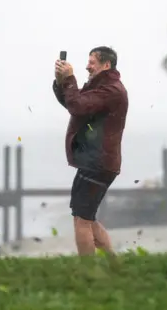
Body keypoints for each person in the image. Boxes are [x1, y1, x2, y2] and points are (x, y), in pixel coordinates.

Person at [53, 46, 128, 256]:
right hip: (94, 161)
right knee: (85, 216)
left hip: (98, 163)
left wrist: (69, 79)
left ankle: (88, 273)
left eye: (92, 63)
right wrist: (61, 82)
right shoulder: (100, 87)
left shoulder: (111, 90)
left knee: (82, 220)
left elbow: (78, 106)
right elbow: (71, 101)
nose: (87, 67)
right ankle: (115, 266)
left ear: (106, 65)